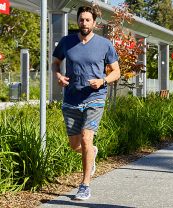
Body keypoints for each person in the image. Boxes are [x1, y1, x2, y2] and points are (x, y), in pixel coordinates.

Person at [51, 5, 121, 201]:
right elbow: (55, 61)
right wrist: (57, 75)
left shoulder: (105, 44)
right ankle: (92, 152)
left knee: (86, 138)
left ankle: (84, 185)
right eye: (81, 19)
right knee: (75, 145)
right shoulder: (67, 42)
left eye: (88, 20)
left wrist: (103, 81)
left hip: (94, 97)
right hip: (71, 98)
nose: (84, 23)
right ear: (78, 21)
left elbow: (116, 71)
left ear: (94, 23)